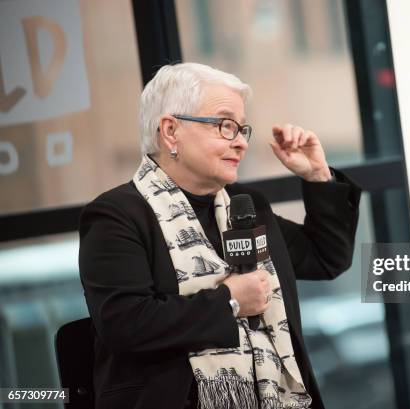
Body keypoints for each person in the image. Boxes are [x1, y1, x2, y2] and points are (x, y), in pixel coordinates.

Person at [78, 62, 361, 409]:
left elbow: (326, 257)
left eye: (242, 129)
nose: (240, 142)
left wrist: (318, 176)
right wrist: (229, 302)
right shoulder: (117, 216)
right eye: (225, 126)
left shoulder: (245, 206)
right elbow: (125, 324)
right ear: (171, 131)